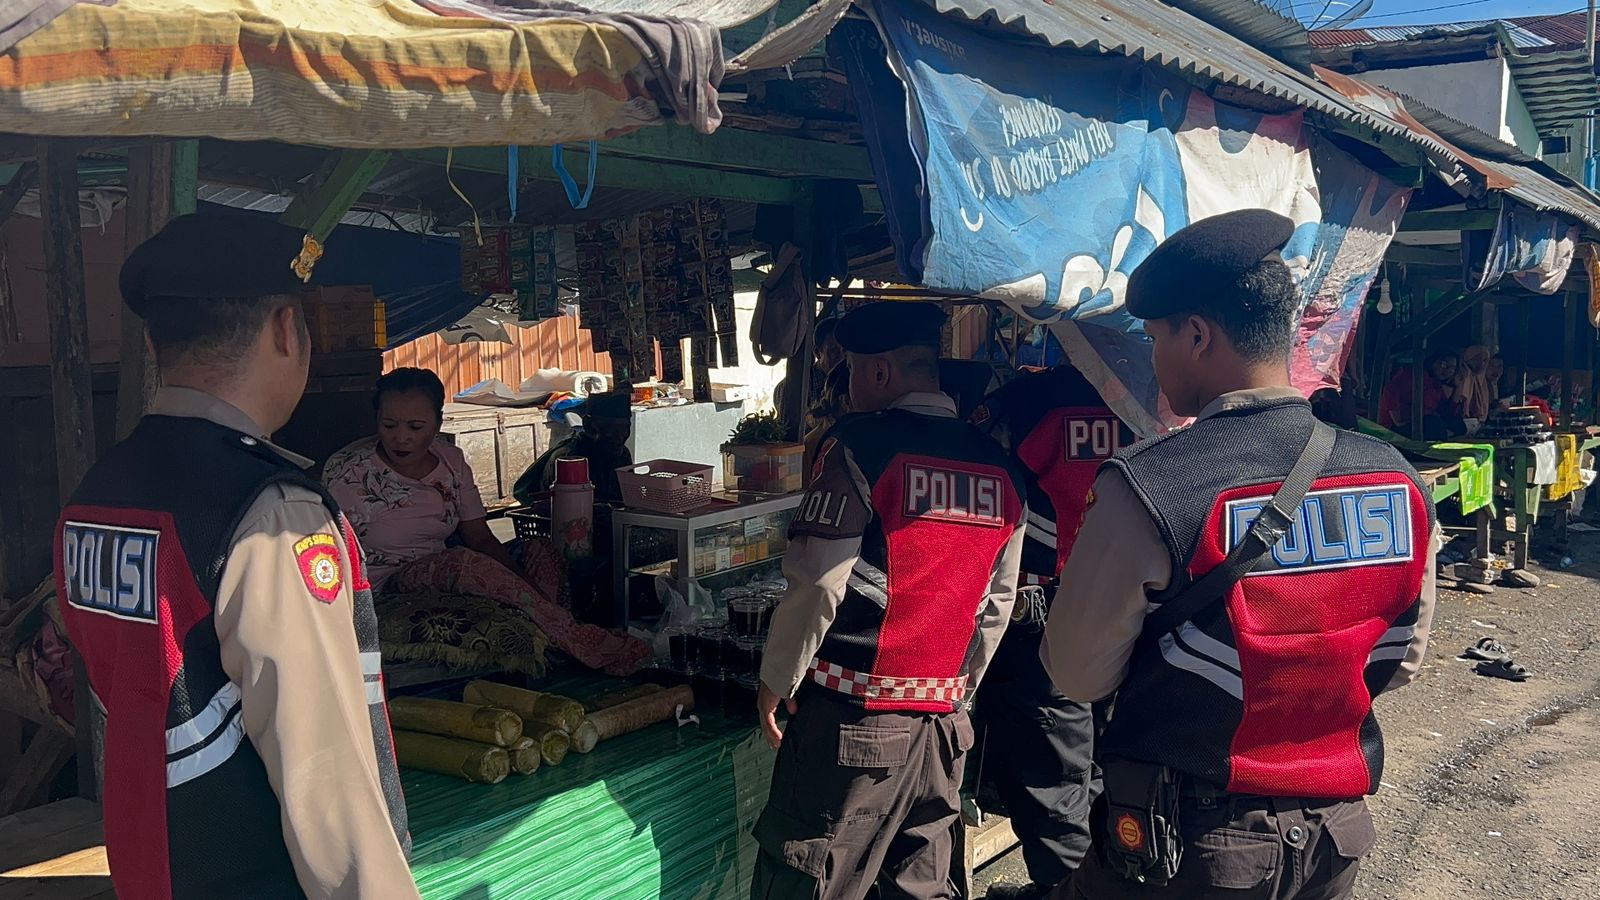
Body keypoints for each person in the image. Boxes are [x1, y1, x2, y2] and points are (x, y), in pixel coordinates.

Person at [1041, 209, 1438, 900]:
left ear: (1197, 336)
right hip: (1333, 840)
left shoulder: (1151, 486)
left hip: (1185, 849)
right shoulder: (1395, 478)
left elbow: (1077, 674)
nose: (1152, 359)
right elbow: (1402, 657)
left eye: (1155, 338)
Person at [53, 214, 417, 899]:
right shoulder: (270, 513)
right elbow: (323, 776)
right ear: (285, 330)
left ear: (156, 342)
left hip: (154, 865)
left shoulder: (95, 494)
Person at [752, 301, 1028, 900]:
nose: (848, 388)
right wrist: (955, 693)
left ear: (878, 372)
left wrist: (777, 677)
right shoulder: (1003, 469)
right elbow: (996, 604)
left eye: (851, 371)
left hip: (853, 726)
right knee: (921, 885)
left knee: (809, 879)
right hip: (944, 730)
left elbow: (819, 580)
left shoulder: (857, 446)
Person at [324, 369, 648, 675]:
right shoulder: (349, 473)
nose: (401, 438)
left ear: (437, 424)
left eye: (415, 427)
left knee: (539, 549)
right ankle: (577, 639)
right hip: (387, 583)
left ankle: (551, 628)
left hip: (443, 572)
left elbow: (479, 537)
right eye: (389, 425)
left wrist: (527, 588)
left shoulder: (451, 462)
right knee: (462, 562)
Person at [968, 365, 1134, 900]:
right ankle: (1098, 883)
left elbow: (979, 478)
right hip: (1127, 600)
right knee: (1106, 763)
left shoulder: (1024, 399)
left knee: (1052, 776)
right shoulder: (1146, 399)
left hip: (1044, 607)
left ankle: (1072, 888)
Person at [514, 391, 634, 506]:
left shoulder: (621, 454)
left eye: (625, 427)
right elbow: (568, 508)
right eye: (610, 427)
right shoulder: (569, 459)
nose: (620, 434)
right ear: (588, 425)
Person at [1377, 350, 1460, 438]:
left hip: (1422, 423)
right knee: (1434, 423)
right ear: (1433, 361)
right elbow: (1391, 392)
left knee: (1458, 425)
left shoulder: (1436, 385)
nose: (1448, 371)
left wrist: (1458, 387)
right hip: (1396, 427)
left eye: (1453, 369)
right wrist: (1397, 417)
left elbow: (1446, 412)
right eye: (1444, 364)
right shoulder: (1412, 375)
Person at [1454, 345, 1492, 423]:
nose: (1482, 364)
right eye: (1478, 359)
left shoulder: (1481, 380)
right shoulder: (1461, 376)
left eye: (1485, 361)